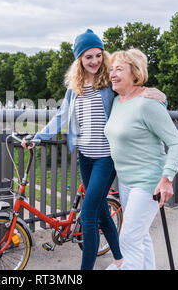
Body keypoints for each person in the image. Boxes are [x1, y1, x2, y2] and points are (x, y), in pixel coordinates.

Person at [21, 29, 166, 270]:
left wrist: (162, 97)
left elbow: (138, 96)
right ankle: (120, 259)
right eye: (88, 56)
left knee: (87, 215)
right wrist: (38, 137)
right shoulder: (74, 89)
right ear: (79, 59)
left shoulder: (109, 84)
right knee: (100, 212)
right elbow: (61, 117)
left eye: (98, 55)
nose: (95, 61)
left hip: (106, 158)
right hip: (85, 157)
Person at [104, 48, 178, 270]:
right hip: (127, 181)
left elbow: (176, 143)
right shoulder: (116, 101)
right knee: (140, 236)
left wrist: (167, 178)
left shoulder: (147, 102)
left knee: (128, 240)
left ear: (135, 73)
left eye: (119, 69)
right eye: (111, 69)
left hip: (149, 182)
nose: (112, 74)